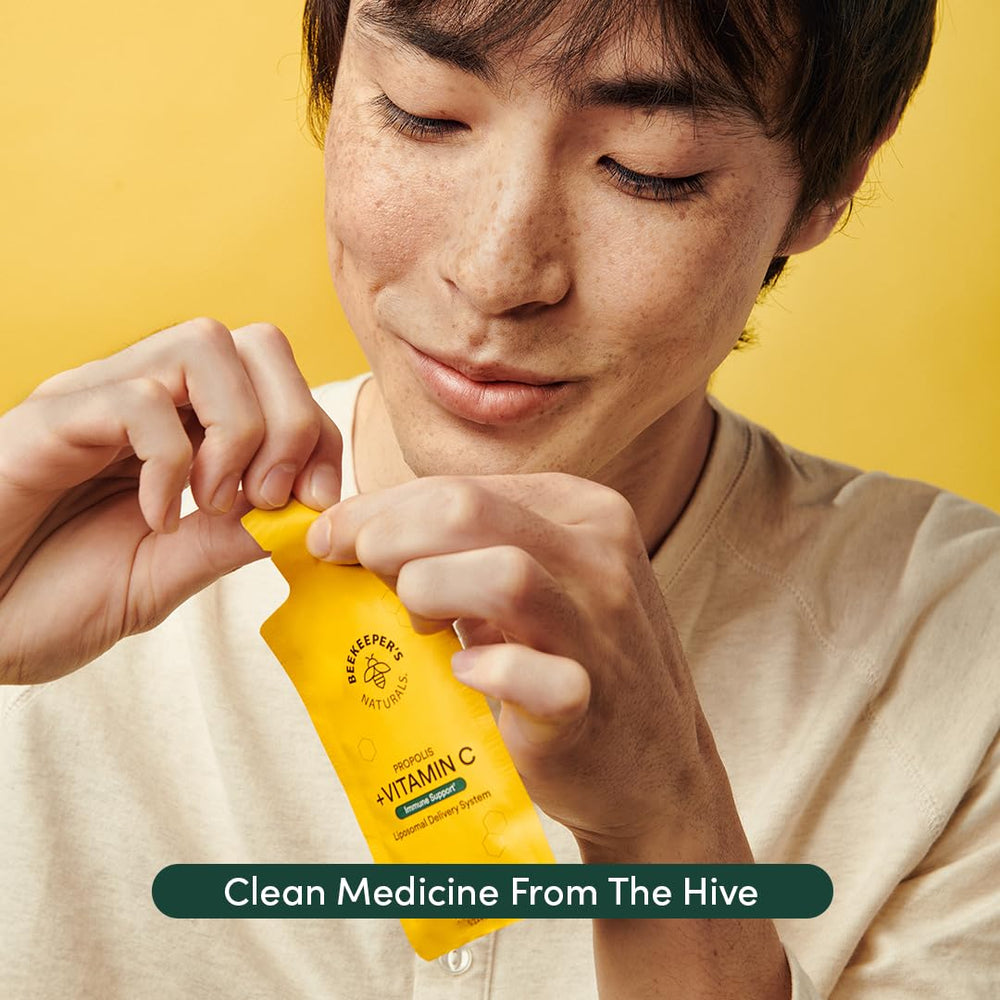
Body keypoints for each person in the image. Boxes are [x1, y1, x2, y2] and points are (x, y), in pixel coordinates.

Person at [1, 0, 996, 997]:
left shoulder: (961, 671)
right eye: (422, 112)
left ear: (826, 185)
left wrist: (665, 839)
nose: (493, 275)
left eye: (650, 167)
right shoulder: (54, 548)